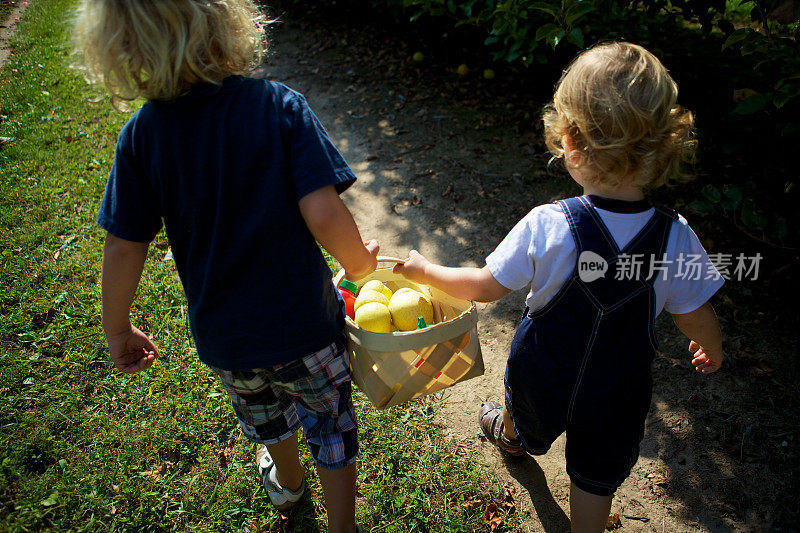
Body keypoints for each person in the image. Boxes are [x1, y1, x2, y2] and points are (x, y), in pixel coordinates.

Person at [393, 42, 724, 533]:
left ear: (569, 140)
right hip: (617, 394)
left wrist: (425, 271)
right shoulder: (676, 236)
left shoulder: (549, 224)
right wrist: (709, 345)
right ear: (661, 144)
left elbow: (484, 286)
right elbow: (694, 312)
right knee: (595, 477)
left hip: (541, 375)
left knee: (522, 412)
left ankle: (511, 436)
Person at [74, 1, 375, 531]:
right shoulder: (278, 105)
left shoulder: (142, 136)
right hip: (307, 326)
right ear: (228, 23)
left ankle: (288, 482)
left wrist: (117, 327)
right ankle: (342, 525)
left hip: (225, 338)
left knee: (263, 413)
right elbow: (323, 209)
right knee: (329, 422)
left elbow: (124, 245)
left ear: (123, 47)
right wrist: (360, 268)